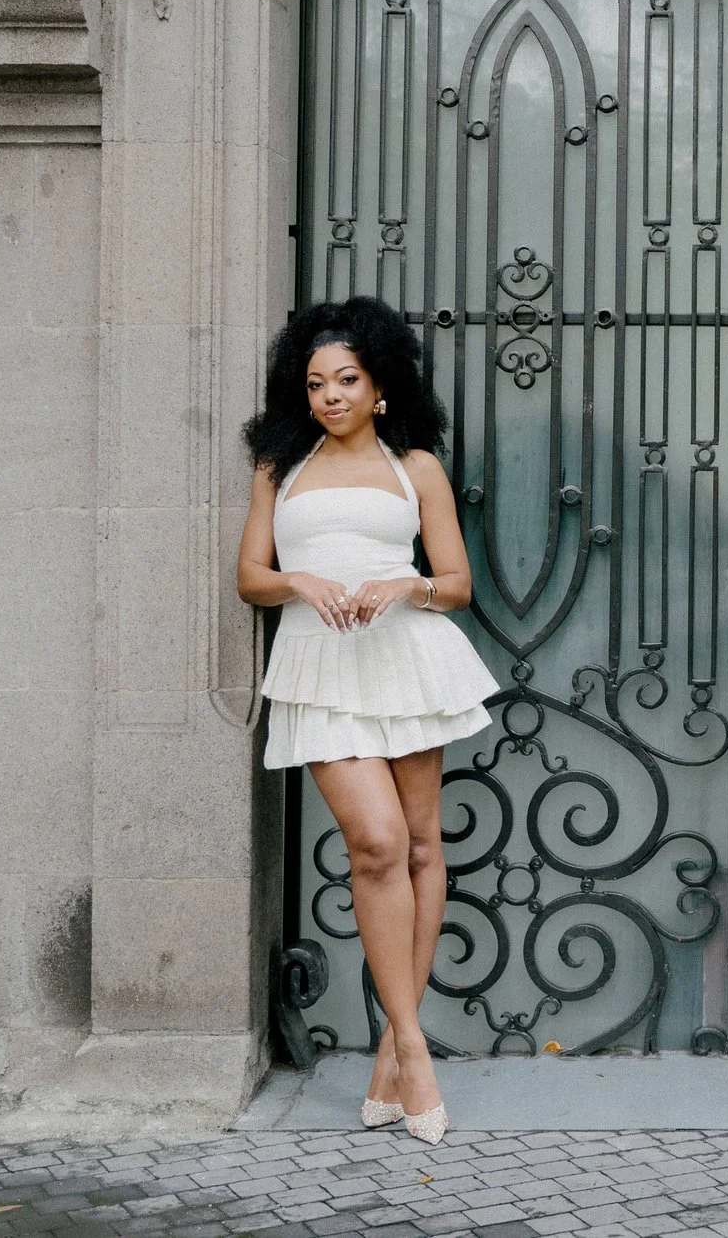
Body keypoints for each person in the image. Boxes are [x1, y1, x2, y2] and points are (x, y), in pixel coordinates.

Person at [236, 296, 497, 1144]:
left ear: (379, 385)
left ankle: (393, 1042)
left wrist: (405, 584)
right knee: (378, 842)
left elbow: (456, 582)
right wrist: (297, 582)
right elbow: (249, 574)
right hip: (320, 664)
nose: (330, 395)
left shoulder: (414, 466)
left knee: (423, 846)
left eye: (346, 378)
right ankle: (416, 1045)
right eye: (315, 382)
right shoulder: (281, 465)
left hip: (405, 657)